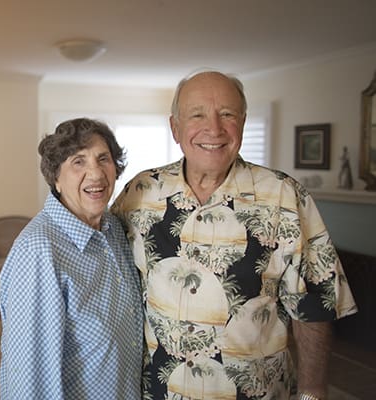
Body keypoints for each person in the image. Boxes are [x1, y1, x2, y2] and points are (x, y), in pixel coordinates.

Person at [112, 70, 357, 400]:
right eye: (197, 114)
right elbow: (103, 268)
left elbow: (315, 302)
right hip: (157, 391)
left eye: (227, 114)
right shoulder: (139, 193)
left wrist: (312, 390)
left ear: (242, 122)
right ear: (175, 127)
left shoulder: (285, 196)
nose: (214, 128)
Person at [0, 118, 145, 399]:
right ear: (56, 176)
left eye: (104, 159)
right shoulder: (39, 251)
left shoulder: (114, 229)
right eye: (78, 161)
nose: (96, 174)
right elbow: (30, 378)